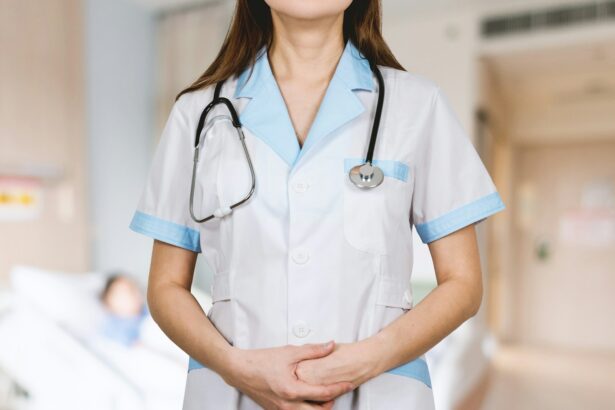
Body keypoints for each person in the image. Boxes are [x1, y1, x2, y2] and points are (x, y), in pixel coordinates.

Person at [129, 1, 505, 409]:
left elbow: (464, 285)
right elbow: (165, 288)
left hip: (380, 394)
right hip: (232, 394)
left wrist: (364, 361)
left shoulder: (417, 105)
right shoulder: (198, 114)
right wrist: (237, 369)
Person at [99, 273, 148, 347]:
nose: (136, 293)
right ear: (109, 303)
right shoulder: (114, 325)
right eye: (129, 291)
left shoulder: (146, 312)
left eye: (135, 288)